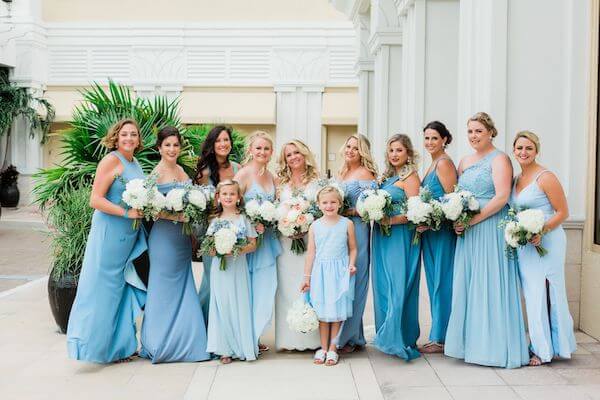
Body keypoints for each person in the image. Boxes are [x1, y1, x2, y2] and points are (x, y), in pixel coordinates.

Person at [444, 112, 529, 368]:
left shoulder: (500, 159)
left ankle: (494, 347)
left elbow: (502, 197)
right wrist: (458, 221)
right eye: (470, 131)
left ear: (491, 132)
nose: (473, 136)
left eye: (478, 131)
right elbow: (458, 196)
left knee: (490, 282)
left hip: (490, 227)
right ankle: (470, 345)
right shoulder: (463, 161)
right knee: (469, 284)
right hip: (468, 232)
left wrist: (473, 220)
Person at [66, 118, 147, 363]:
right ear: (116, 137)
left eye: (133, 134)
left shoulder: (136, 163)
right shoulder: (111, 160)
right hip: (109, 235)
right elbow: (96, 200)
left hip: (128, 237)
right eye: (125, 135)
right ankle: (92, 349)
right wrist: (126, 212)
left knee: (119, 290)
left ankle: (119, 347)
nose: (129, 139)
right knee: (100, 290)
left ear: (138, 139)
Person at [139, 126, 210, 363]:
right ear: (159, 148)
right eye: (167, 145)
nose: (172, 149)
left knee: (183, 284)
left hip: (181, 237)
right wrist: (177, 217)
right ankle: (159, 342)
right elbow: (148, 209)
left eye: (175, 145)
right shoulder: (155, 173)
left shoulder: (181, 169)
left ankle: (188, 342)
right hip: (163, 238)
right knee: (163, 287)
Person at [511, 130, 576, 366]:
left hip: (548, 240)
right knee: (532, 293)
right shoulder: (517, 179)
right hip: (526, 244)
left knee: (547, 292)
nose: (523, 152)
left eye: (528, 148)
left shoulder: (545, 177)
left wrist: (541, 231)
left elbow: (563, 212)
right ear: (514, 150)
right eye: (519, 148)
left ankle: (546, 349)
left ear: (536, 151)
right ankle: (543, 344)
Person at [371, 134, 421, 361]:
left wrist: (389, 220)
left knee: (398, 283)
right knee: (382, 283)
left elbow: (414, 212)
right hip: (381, 236)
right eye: (391, 150)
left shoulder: (411, 177)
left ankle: (399, 336)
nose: (394, 154)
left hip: (400, 236)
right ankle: (385, 332)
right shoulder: (386, 177)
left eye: (399, 150)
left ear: (408, 153)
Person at [234, 130, 282, 352]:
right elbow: (230, 205)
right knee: (247, 291)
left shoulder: (273, 177)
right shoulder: (243, 174)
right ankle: (246, 339)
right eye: (258, 148)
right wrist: (250, 222)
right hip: (249, 242)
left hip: (268, 242)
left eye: (266, 148)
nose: (262, 152)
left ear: (271, 152)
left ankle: (254, 335)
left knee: (265, 290)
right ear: (251, 150)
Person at [301, 186, 357, 366]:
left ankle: (333, 348)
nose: (329, 205)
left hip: (340, 272)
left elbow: (353, 248)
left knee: (338, 311)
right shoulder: (315, 226)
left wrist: (351, 264)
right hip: (321, 273)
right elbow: (311, 253)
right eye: (325, 202)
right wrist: (307, 277)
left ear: (340, 203)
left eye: (333, 202)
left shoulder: (347, 223)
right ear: (318, 205)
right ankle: (323, 347)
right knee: (323, 312)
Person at [274, 140, 321, 351]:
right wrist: (287, 225)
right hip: (286, 243)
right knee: (286, 289)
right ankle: (288, 340)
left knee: (309, 287)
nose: (293, 157)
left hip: (309, 242)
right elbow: (276, 211)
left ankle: (311, 339)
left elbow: (321, 211)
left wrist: (305, 225)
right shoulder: (280, 183)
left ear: (304, 153)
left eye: (296, 152)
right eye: (289, 155)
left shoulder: (317, 181)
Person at [206, 180, 259, 363]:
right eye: (225, 194)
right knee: (222, 304)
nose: (228, 197)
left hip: (238, 266)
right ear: (218, 197)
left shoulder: (244, 219)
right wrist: (220, 249)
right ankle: (224, 349)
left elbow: (253, 244)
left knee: (239, 302)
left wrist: (234, 249)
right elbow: (209, 249)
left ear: (238, 197)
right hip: (220, 269)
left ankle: (242, 346)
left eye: (232, 194)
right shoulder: (215, 221)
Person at [195, 125, 241, 326]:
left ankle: (228, 329)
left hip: (236, 233)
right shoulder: (204, 172)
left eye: (226, 140)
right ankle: (204, 327)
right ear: (212, 145)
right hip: (212, 232)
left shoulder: (239, 168)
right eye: (219, 141)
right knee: (211, 281)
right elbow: (197, 205)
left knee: (231, 283)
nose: (223, 144)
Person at [418, 121, 457, 353]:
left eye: (434, 138)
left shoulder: (444, 164)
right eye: (427, 138)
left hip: (442, 233)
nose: (430, 142)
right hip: (430, 233)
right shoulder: (432, 164)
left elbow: (452, 201)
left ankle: (441, 338)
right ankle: (438, 333)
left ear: (444, 139)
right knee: (434, 283)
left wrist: (429, 219)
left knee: (442, 282)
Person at [336, 134, 377, 353]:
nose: (351, 150)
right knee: (343, 282)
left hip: (358, 230)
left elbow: (369, 208)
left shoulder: (365, 174)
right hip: (340, 230)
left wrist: (346, 210)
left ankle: (349, 337)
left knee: (356, 280)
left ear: (363, 152)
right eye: (349, 146)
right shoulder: (343, 172)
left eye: (356, 148)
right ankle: (355, 333)